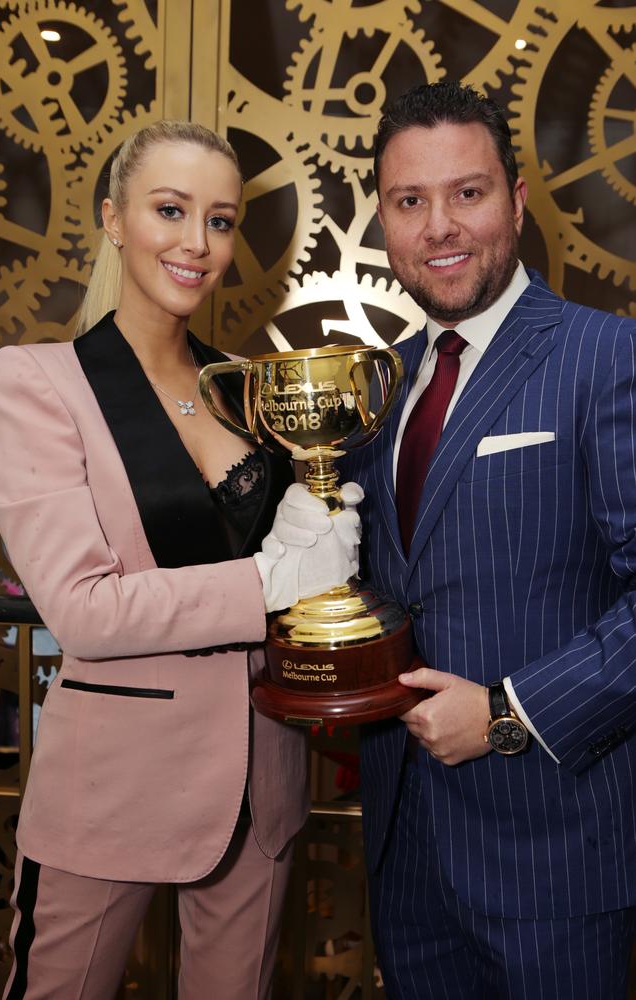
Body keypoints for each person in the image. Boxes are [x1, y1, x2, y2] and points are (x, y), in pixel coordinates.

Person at [0, 120, 361, 999]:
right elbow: (82, 609)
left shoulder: (247, 387)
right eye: (170, 209)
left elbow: (298, 562)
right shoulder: (36, 381)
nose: (197, 243)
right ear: (115, 220)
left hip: (259, 780)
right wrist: (270, 581)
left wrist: (329, 523)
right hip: (108, 787)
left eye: (222, 220)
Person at [337, 81, 636, 998]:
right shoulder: (378, 388)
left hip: (556, 853)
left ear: (517, 196)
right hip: (407, 848)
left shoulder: (607, 357)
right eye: (410, 201)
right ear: (383, 219)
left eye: (466, 193)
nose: (440, 227)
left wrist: (510, 713)